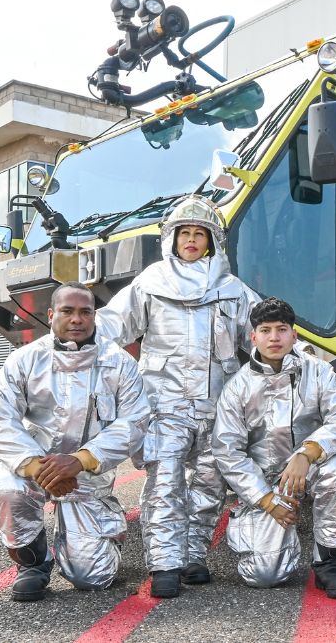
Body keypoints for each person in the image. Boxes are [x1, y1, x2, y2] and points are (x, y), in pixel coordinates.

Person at [96, 194, 260, 598]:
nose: (190, 240)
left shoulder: (232, 289)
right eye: (184, 233)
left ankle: (193, 556)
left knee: (208, 484)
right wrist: (64, 344)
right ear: (172, 239)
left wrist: (301, 363)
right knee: (165, 482)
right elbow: (110, 326)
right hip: (163, 405)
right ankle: (165, 564)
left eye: (198, 234)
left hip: (218, 406)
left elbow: (263, 336)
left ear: (211, 242)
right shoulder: (150, 282)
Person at [0, 281, 151, 601]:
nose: (77, 319)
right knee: (7, 488)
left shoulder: (119, 363)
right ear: (50, 315)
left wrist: (80, 460)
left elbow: (135, 421)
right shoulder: (25, 359)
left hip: (85, 473)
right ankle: (33, 563)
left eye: (85, 312)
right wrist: (36, 466)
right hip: (31, 464)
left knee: (93, 577)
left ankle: (101, 530)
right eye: (67, 311)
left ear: (95, 317)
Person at [212, 297, 336, 599]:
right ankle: (271, 532)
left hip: (312, 466)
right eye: (266, 330)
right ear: (253, 337)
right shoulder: (238, 387)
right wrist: (266, 499)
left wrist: (308, 452)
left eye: (282, 329)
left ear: (294, 335)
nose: (274, 337)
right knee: (264, 574)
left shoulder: (318, 371)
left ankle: (330, 563)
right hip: (269, 482)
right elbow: (228, 451)